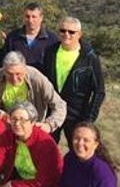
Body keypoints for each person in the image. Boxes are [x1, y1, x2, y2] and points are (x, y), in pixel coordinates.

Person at [0, 101, 63, 187]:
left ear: (33, 122)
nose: (17, 123)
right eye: (14, 119)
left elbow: (43, 182)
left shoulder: (45, 143)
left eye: (23, 120)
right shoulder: (9, 136)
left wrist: (11, 185)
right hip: (24, 181)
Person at [43, 17, 105, 145]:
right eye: (62, 30)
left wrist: (89, 119)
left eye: (71, 32)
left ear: (80, 34)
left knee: (79, 150)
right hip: (52, 110)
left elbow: (99, 91)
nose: (66, 34)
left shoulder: (89, 57)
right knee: (47, 148)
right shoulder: (50, 52)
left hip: (77, 113)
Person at [0, 51, 67, 134]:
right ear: (4, 70)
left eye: (18, 74)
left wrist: (49, 125)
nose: (14, 79)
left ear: (25, 68)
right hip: (7, 128)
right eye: (9, 74)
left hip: (32, 128)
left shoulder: (36, 78)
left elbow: (60, 105)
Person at [56, 122, 120, 187]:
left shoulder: (102, 172)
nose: (80, 143)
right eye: (76, 138)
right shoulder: (69, 159)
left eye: (86, 140)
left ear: (95, 144)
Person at [4, 3, 59, 72]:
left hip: (42, 80)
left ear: (41, 18)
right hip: (18, 79)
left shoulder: (52, 39)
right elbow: (5, 60)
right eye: (27, 16)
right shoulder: (13, 37)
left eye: (34, 17)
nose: (30, 20)